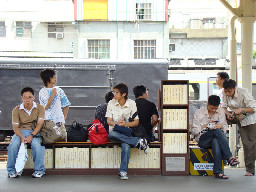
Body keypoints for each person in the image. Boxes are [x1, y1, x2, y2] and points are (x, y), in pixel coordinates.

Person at [106, 83, 148, 180]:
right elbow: (109, 121)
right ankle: (138, 142)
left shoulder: (132, 104)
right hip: (115, 133)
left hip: (126, 132)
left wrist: (124, 124)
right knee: (112, 133)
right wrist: (117, 124)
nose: (114, 95)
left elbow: (136, 122)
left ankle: (123, 172)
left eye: (116, 92)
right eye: (114, 92)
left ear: (123, 94)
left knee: (126, 145)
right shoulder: (111, 103)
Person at [191, 95, 239, 179]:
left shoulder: (220, 112)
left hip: (216, 138)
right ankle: (229, 157)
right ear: (207, 104)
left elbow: (224, 127)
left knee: (215, 140)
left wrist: (220, 126)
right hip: (203, 140)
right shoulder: (199, 113)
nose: (214, 110)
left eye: (216, 108)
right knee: (216, 132)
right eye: (212, 108)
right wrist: (205, 126)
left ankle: (218, 172)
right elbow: (194, 131)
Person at [7, 87, 46, 178]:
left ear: (34, 97)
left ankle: (39, 170)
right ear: (22, 98)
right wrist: (22, 137)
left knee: (37, 146)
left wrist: (32, 135)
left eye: (30, 97)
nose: (27, 99)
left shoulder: (40, 108)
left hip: (34, 132)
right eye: (25, 97)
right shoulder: (16, 110)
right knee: (13, 145)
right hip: (20, 132)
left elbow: (40, 124)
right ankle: (11, 170)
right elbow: (15, 127)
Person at [222, 79, 256, 176]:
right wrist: (228, 113)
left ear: (234, 89)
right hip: (235, 116)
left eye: (229, 91)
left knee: (248, 143)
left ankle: (250, 169)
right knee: (220, 116)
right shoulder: (225, 93)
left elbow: (252, 109)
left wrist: (241, 109)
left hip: (249, 119)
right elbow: (223, 106)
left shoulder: (243, 92)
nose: (227, 94)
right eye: (226, 91)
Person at [39, 69, 71, 141]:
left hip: (59, 122)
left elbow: (66, 104)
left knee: (62, 142)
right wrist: (52, 95)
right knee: (49, 143)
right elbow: (46, 107)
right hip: (48, 123)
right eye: (53, 76)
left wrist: (63, 117)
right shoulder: (42, 92)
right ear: (48, 78)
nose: (55, 78)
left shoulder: (59, 90)